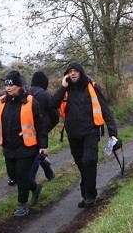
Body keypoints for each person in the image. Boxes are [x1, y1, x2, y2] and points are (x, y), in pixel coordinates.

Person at [51, 61, 120, 209]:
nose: (73, 73)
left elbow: (105, 109)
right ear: (67, 75)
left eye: (75, 71)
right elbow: (52, 104)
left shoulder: (92, 87)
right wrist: (62, 87)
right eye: (70, 71)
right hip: (73, 134)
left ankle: (90, 195)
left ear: (81, 72)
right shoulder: (65, 90)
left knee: (89, 160)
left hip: (90, 132)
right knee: (82, 165)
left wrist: (113, 133)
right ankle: (86, 193)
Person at [0, 71, 50, 217]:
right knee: (14, 176)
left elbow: (41, 125)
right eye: (6, 85)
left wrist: (43, 145)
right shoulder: (0, 102)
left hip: (27, 146)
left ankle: (22, 204)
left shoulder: (31, 101)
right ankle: (34, 188)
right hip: (9, 146)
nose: (8, 88)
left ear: (19, 86)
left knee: (22, 175)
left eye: (11, 85)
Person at [27, 70, 59, 183]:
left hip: (25, 130)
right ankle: (32, 180)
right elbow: (55, 116)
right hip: (41, 130)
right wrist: (46, 128)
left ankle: (47, 174)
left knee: (33, 153)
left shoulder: (24, 93)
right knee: (37, 154)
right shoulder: (47, 95)